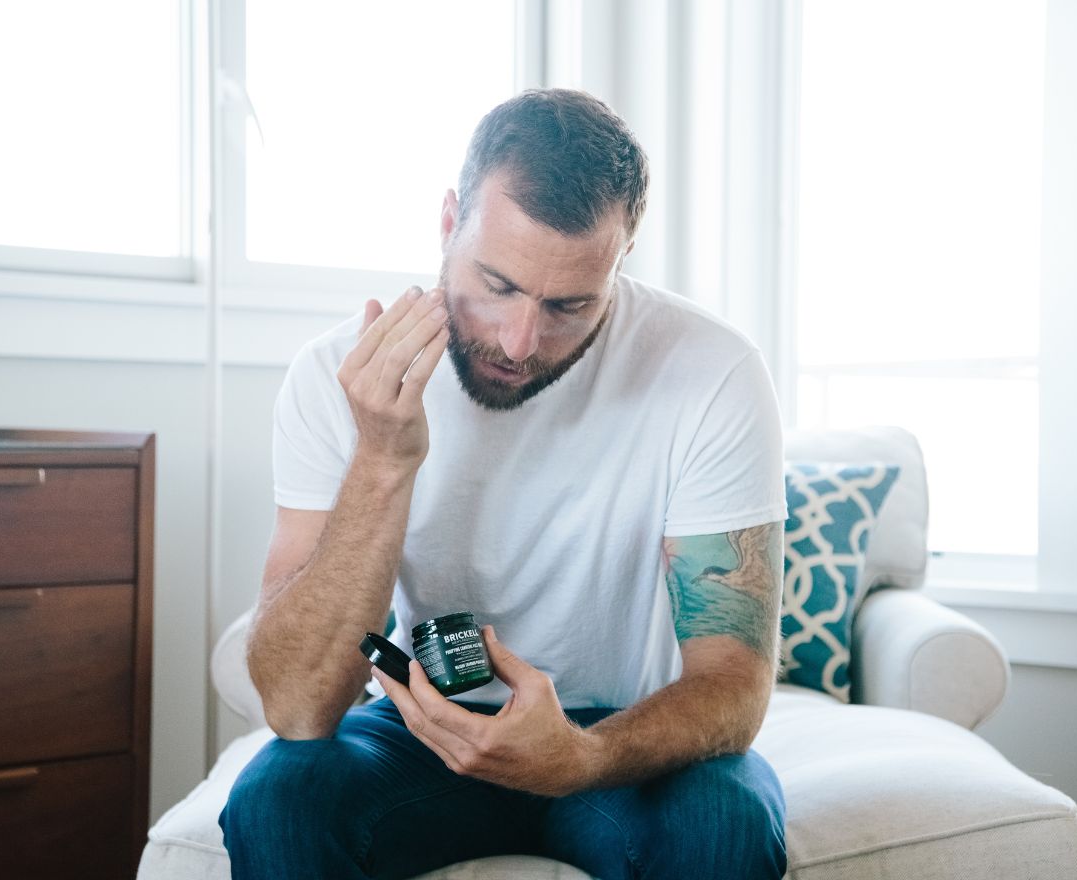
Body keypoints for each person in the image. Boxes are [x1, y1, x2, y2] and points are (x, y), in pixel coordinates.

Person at [219, 88, 788, 879]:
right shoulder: (333, 377)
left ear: (620, 261)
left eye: (568, 305)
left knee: (725, 818)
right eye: (498, 285)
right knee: (276, 800)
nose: (520, 342)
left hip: (620, 740)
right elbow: (296, 705)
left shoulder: (712, 372)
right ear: (450, 223)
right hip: (418, 740)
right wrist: (384, 460)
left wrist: (583, 758)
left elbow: (735, 686)